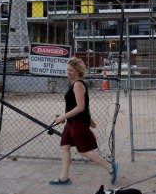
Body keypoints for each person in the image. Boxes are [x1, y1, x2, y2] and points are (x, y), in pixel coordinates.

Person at [49, 57, 118, 185]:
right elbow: (83, 105)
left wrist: (63, 117)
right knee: (64, 147)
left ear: (78, 70)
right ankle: (64, 178)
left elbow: (81, 107)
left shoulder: (78, 85)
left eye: (70, 70)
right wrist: (90, 119)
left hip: (78, 122)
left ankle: (110, 168)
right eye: (67, 70)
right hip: (71, 122)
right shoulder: (74, 83)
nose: (68, 72)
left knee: (84, 151)